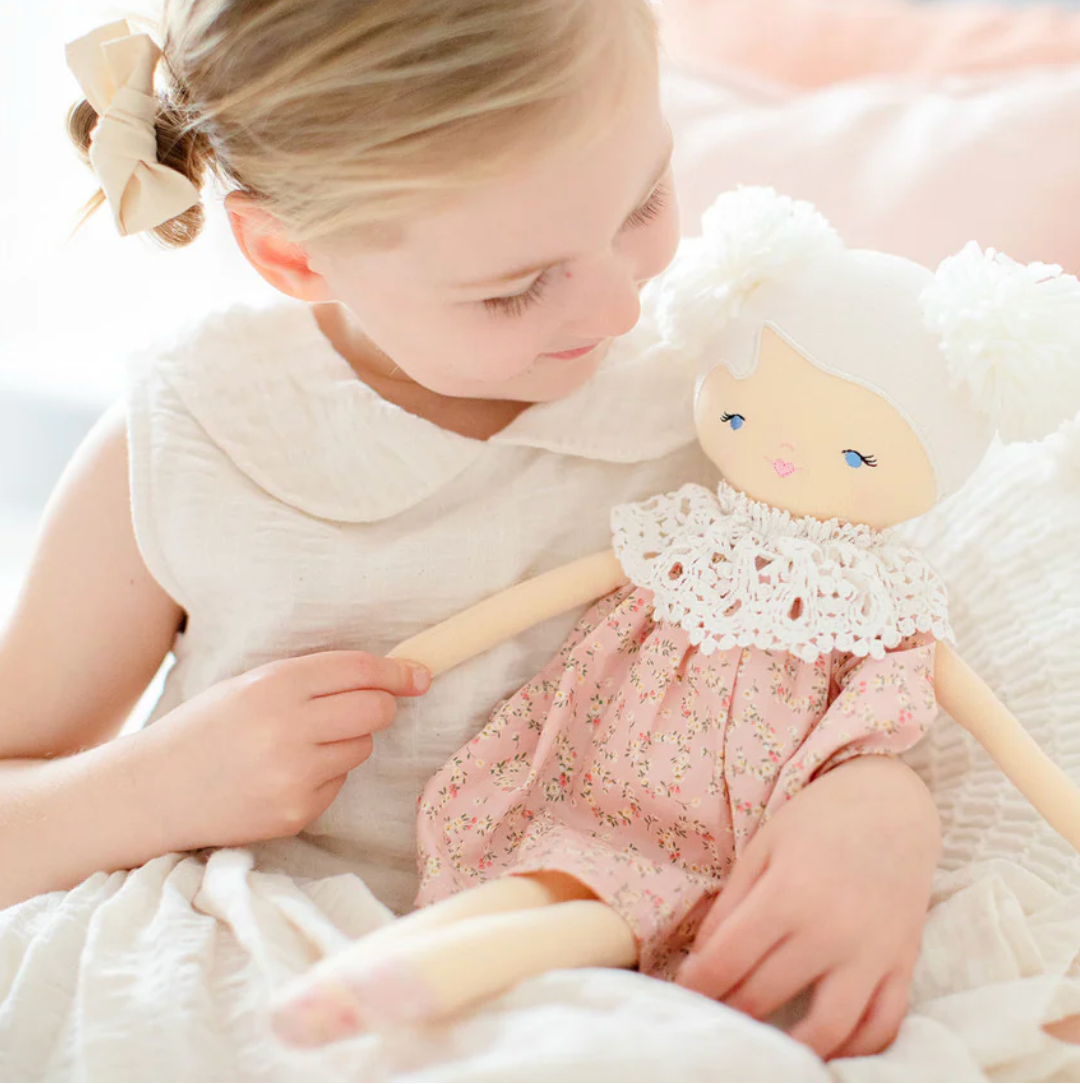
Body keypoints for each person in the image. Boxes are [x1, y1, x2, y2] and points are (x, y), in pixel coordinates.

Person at [0, 1, 940, 1073]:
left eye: (645, 200)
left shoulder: (732, 405)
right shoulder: (195, 437)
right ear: (290, 254)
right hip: (251, 941)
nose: (619, 305)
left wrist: (876, 801)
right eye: (513, 290)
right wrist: (158, 784)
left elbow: (861, 647)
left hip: (602, 951)